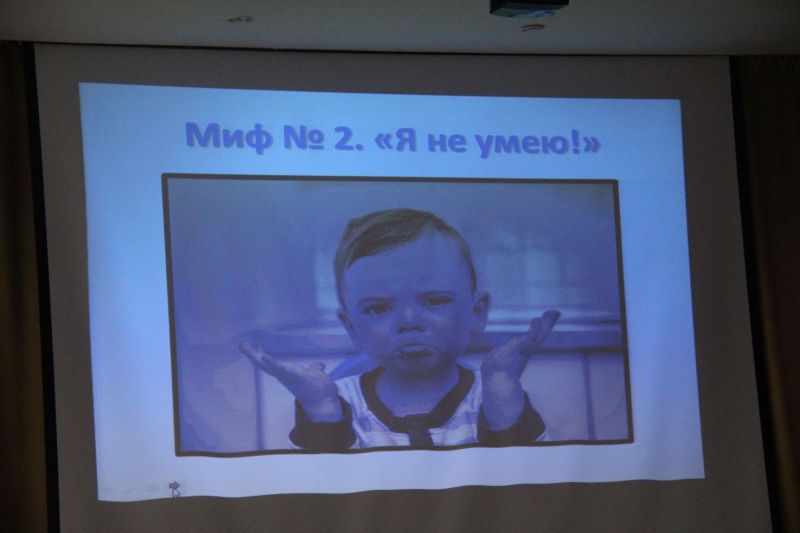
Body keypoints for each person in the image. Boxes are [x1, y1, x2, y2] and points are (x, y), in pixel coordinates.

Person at [240, 208, 559, 451]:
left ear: (477, 313)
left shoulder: (491, 395)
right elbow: (321, 484)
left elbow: (525, 477)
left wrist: (502, 389)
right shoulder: (339, 400)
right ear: (351, 327)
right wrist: (320, 409)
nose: (409, 321)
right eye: (379, 308)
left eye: (434, 301)